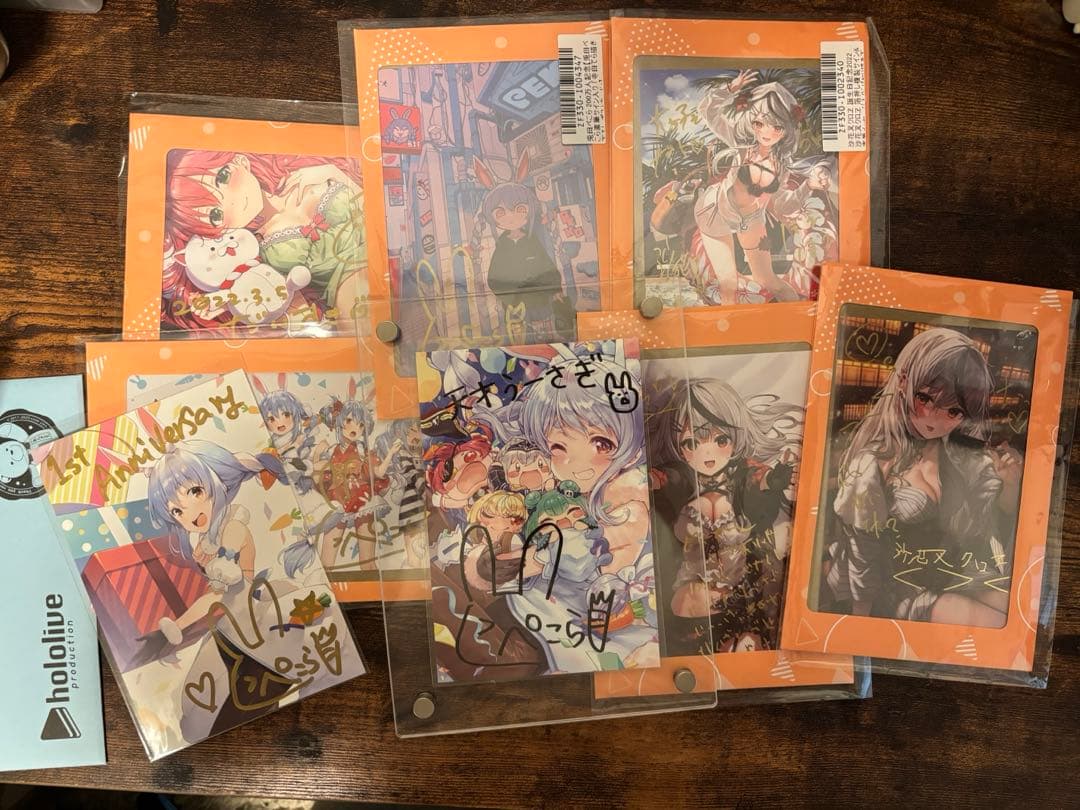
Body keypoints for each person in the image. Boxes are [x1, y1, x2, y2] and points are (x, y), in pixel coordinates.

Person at [825, 327, 1022, 627]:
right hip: (897, 587)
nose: (934, 418)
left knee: (1016, 611)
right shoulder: (874, 463)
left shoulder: (958, 455)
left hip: (952, 573)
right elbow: (861, 550)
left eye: (953, 411)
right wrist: (860, 624)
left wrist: (1010, 483)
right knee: (992, 621)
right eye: (926, 398)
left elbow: (997, 516)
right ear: (904, 381)